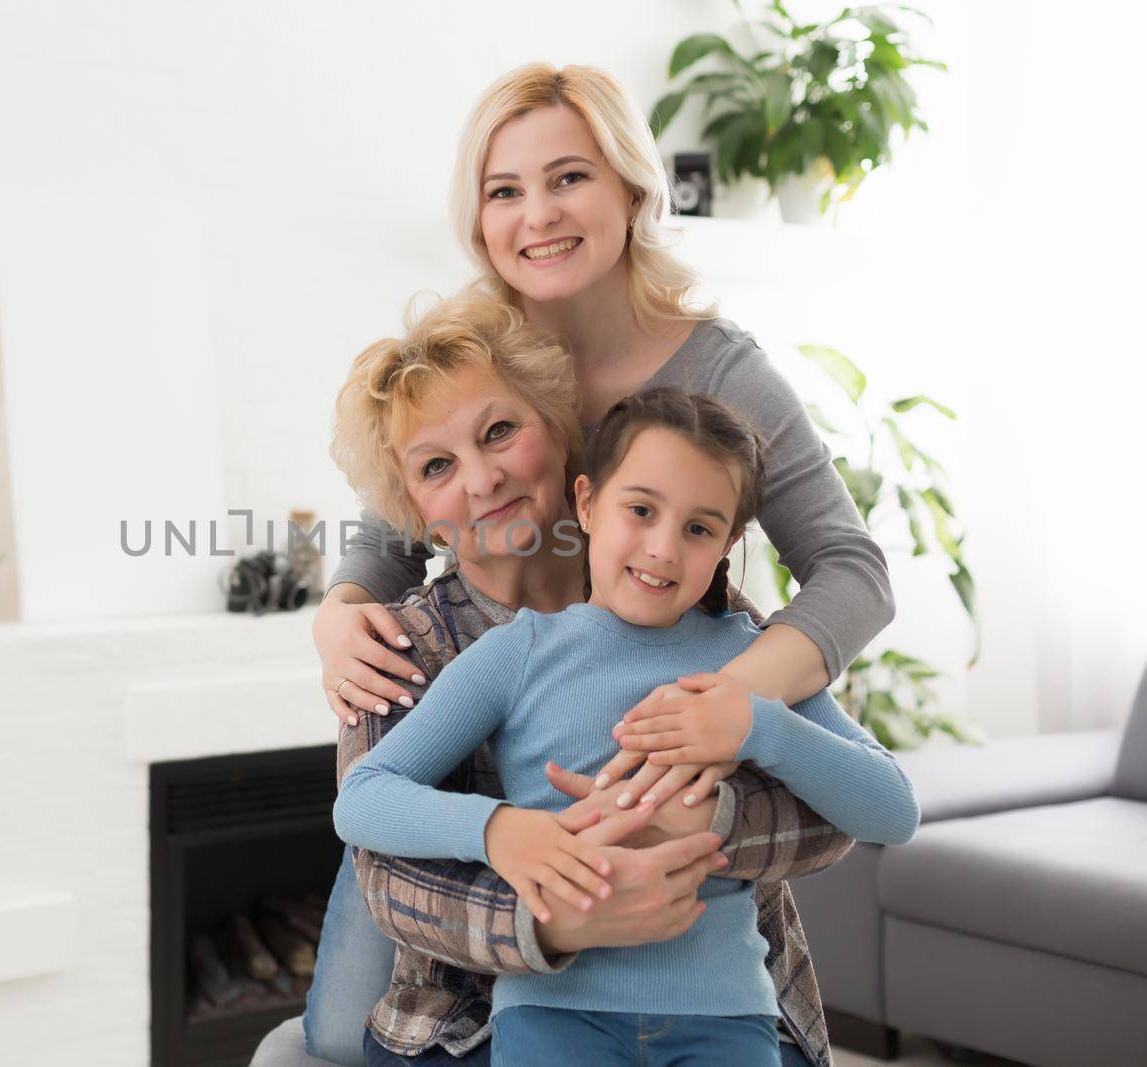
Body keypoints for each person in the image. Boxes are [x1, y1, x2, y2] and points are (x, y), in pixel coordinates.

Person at [302, 62, 894, 1066]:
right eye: (503, 191)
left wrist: (725, 704)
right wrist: (343, 605)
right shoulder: (478, 349)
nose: (537, 214)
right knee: (328, 1033)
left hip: (683, 913)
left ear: (632, 188)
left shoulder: (716, 378)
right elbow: (393, 513)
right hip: (503, 846)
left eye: (568, 177)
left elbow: (851, 570)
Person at [334, 385, 919, 1065]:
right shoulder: (518, 652)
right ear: (586, 503)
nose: (664, 548)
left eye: (700, 527)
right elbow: (366, 795)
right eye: (640, 509)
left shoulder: (749, 657)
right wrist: (500, 830)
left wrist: (758, 724)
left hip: (724, 1011)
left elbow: (894, 809)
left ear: (730, 539)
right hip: (556, 1011)